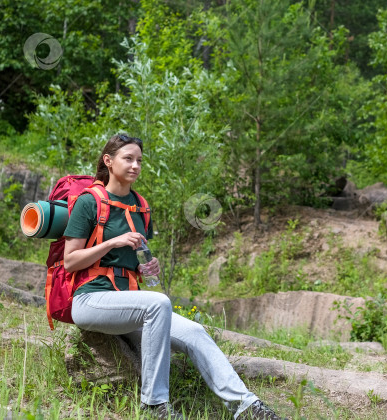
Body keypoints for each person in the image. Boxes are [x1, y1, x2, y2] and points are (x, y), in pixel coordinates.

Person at [63, 133, 287, 420]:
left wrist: (147, 266)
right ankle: (155, 405)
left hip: (126, 303)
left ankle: (246, 406)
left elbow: (131, 260)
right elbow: (70, 261)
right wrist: (111, 242)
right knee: (158, 304)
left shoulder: (140, 206)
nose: (135, 166)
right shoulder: (89, 202)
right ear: (108, 161)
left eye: (139, 160)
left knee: (195, 332)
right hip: (90, 300)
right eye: (128, 158)